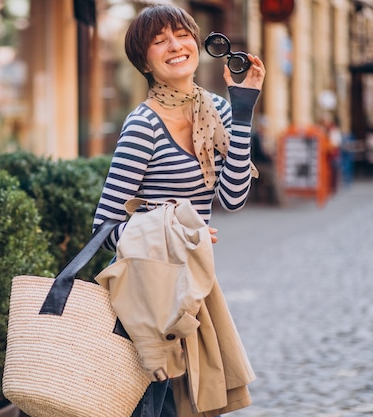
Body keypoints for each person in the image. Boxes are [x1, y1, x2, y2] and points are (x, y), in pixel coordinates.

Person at [91, 4, 265, 417]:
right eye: (158, 41)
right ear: (144, 62)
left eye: (182, 34)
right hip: (147, 293)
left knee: (186, 405)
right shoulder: (143, 125)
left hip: (192, 288)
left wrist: (242, 111)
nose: (175, 46)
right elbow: (104, 226)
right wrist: (175, 231)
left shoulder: (216, 111)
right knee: (156, 405)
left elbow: (234, 197)